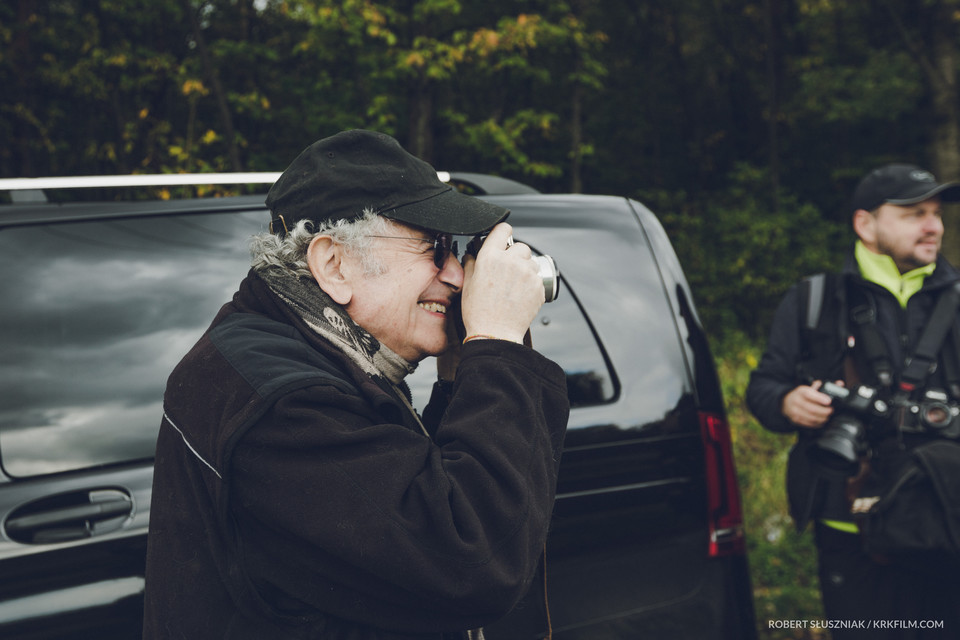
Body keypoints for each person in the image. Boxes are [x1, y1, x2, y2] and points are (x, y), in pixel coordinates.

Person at [142, 129, 570, 639]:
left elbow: (410, 495)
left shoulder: (290, 353)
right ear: (333, 264)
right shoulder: (285, 405)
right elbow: (468, 562)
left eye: (455, 251)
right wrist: (496, 343)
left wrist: (462, 368)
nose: (456, 276)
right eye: (433, 248)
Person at [747, 163, 960, 638]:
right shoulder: (814, 300)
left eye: (936, 213)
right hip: (851, 529)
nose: (933, 226)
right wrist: (787, 403)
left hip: (948, 521)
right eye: (913, 213)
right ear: (865, 224)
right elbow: (762, 389)